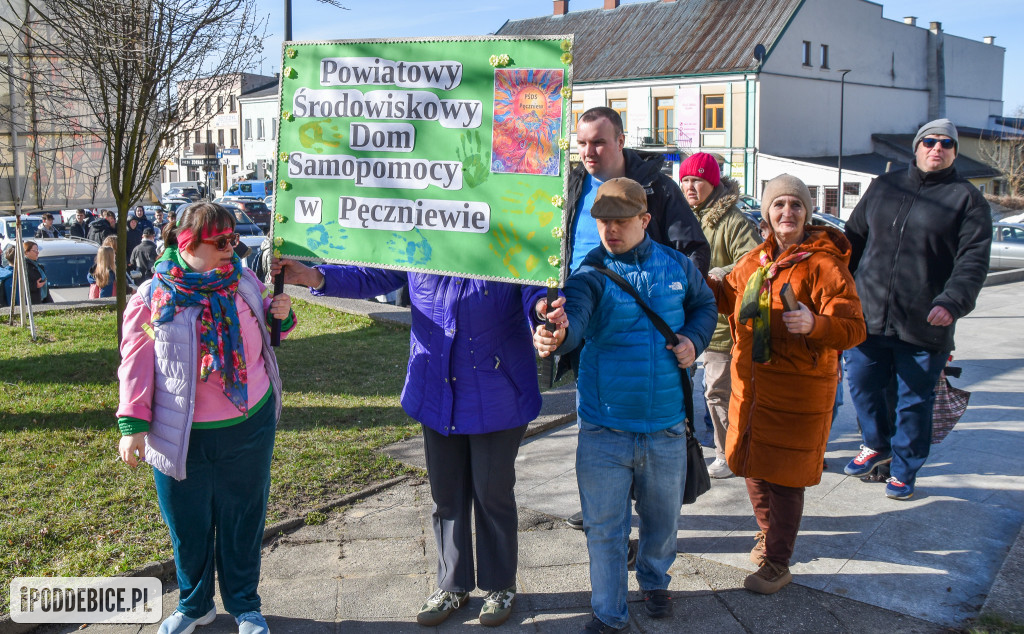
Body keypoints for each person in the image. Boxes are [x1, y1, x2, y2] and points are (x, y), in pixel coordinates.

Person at [272, 255, 550, 629]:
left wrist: (543, 312)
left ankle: (500, 585)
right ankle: (452, 585)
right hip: (435, 391)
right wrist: (313, 276)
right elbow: (372, 272)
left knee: (492, 493)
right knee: (446, 495)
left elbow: (535, 286)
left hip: (498, 392)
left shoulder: (507, 242)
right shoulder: (421, 241)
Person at [535, 178, 716, 634]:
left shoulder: (677, 265)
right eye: (603, 222)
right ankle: (609, 611)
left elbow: (705, 306)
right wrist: (557, 334)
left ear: (645, 220)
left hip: (667, 427)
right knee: (604, 529)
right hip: (604, 431)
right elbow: (573, 323)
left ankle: (655, 580)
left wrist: (694, 340)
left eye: (620, 221)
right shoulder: (589, 276)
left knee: (662, 522)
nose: (610, 230)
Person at [117, 202, 295, 634]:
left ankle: (245, 605)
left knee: (243, 520)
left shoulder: (244, 281)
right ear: (188, 243)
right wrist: (132, 425)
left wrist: (283, 314)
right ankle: (195, 605)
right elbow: (135, 362)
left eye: (234, 239)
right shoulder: (153, 298)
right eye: (221, 241)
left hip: (248, 428)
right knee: (188, 525)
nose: (232, 248)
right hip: (179, 435)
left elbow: (275, 332)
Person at [707, 174, 865, 594]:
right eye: (778, 205)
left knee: (786, 479)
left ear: (807, 213)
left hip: (798, 395)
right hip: (752, 392)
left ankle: (778, 563)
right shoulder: (753, 263)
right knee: (752, 469)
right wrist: (696, 276)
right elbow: (725, 299)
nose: (787, 212)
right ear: (766, 213)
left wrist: (816, 324)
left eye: (796, 205)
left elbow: (854, 328)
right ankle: (768, 534)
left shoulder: (824, 265)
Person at [559, 106, 710, 531]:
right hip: (585, 318)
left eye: (598, 142)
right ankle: (607, 506)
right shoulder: (570, 185)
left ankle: (646, 512)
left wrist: (679, 320)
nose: (588, 151)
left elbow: (692, 250)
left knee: (645, 425)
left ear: (621, 141)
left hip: (645, 334)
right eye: (582, 143)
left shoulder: (656, 187)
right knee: (595, 415)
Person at [842, 119, 991, 500]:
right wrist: (838, 288)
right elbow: (851, 241)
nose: (937, 148)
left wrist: (952, 301)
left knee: (913, 402)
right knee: (862, 383)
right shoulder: (884, 186)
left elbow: (972, 261)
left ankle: (905, 469)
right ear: (917, 147)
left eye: (946, 143)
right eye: (929, 141)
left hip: (925, 321)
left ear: (954, 152)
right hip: (868, 315)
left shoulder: (966, 199)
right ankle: (876, 444)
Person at [680, 153, 761, 479]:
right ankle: (684, 447)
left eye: (697, 180)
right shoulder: (682, 216)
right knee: (681, 389)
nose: (690, 186)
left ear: (712, 183)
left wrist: (717, 274)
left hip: (719, 326)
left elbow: (753, 260)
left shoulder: (733, 221)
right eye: (685, 180)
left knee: (717, 393)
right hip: (682, 322)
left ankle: (728, 454)